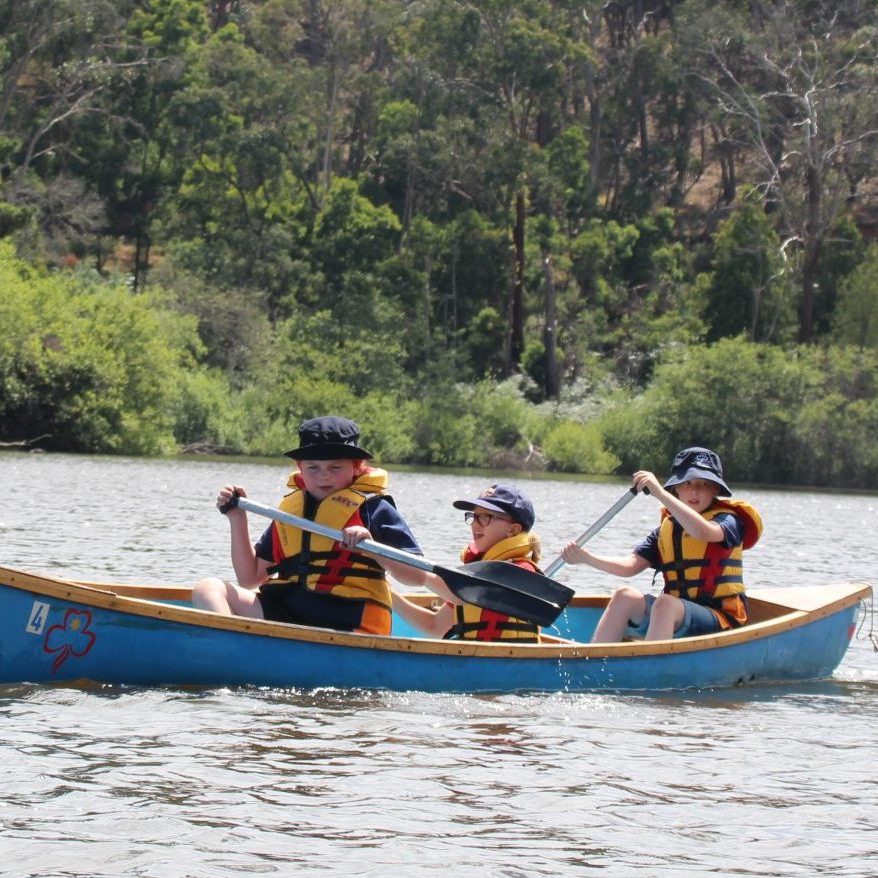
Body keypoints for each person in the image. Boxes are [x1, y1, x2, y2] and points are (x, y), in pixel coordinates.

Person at [192, 416, 425, 635]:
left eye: (335, 467)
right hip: (287, 611)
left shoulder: (374, 509)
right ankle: (232, 651)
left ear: (356, 467)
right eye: (313, 467)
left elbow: (417, 578)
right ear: (300, 468)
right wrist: (237, 518)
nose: (324, 476)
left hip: (348, 619)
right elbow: (250, 578)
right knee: (208, 588)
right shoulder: (292, 510)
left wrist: (371, 547)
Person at [561, 447, 763, 642]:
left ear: (715, 489)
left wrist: (659, 493)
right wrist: (587, 558)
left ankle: (648, 670)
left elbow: (703, 532)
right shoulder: (667, 530)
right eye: (688, 483)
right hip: (676, 614)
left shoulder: (729, 520)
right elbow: (630, 566)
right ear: (676, 488)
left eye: (704, 484)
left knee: (665, 604)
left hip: (720, 618)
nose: (695, 491)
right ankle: (595, 664)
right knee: (624, 596)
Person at [391, 484, 545, 642]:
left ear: (513, 530)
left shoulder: (521, 572)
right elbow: (435, 626)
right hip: (477, 661)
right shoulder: (471, 580)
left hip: (508, 664)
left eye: (485, 517)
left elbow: (445, 586)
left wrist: (417, 572)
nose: (474, 524)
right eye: (474, 516)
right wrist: (388, 594)